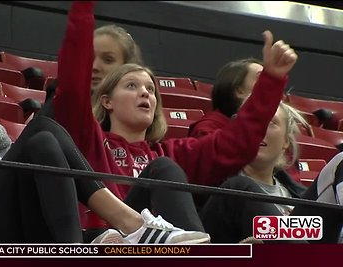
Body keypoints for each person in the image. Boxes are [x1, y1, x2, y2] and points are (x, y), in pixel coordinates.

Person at [0, 48, 210, 244]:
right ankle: (124, 227)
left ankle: (81, 244)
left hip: (17, 234)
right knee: (42, 128)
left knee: (44, 137)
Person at [50, 0, 298, 236]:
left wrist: (272, 79)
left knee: (241, 188)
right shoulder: (88, 141)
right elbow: (72, 89)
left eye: (150, 89)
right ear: (107, 101)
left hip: (169, 247)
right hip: (115, 240)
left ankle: (306, 258)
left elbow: (235, 145)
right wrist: (83, 8)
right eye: (132, 85)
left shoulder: (170, 153)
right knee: (163, 170)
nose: (145, 92)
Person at [199, 102, 310, 243]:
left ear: (286, 142)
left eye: (270, 123)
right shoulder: (211, 182)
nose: (260, 128)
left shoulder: (302, 199)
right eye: (253, 121)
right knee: (241, 186)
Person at [187, 58, 301, 185]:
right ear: (239, 90)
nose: (270, 83)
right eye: (262, 77)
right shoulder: (208, 128)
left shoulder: (281, 133)